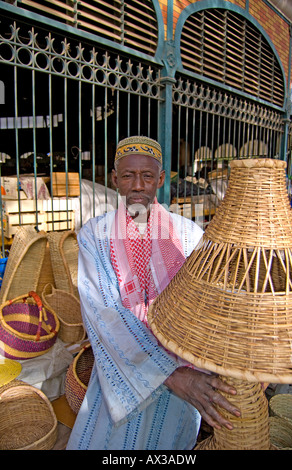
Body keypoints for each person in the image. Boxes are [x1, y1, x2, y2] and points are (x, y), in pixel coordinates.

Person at [66, 136, 240, 451]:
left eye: (147, 176)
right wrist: (170, 375)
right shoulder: (95, 234)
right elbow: (103, 311)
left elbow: (210, 303)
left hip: (187, 376)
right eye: (128, 175)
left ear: (160, 179)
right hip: (124, 372)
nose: (138, 185)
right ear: (114, 180)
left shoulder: (189, 234)